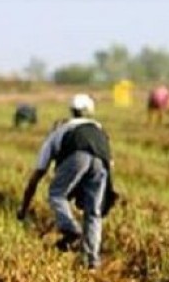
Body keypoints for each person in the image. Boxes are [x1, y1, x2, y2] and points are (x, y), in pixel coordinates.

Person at [16, 94, 115, 270]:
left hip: (78, 156)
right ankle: (92, 261)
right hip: (102, 161)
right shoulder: (98, 128)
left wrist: (23, 209)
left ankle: (70, 228)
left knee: (56, 194)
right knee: (94, 212)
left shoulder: (59, 131)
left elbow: (36, 176)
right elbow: (109, 163)